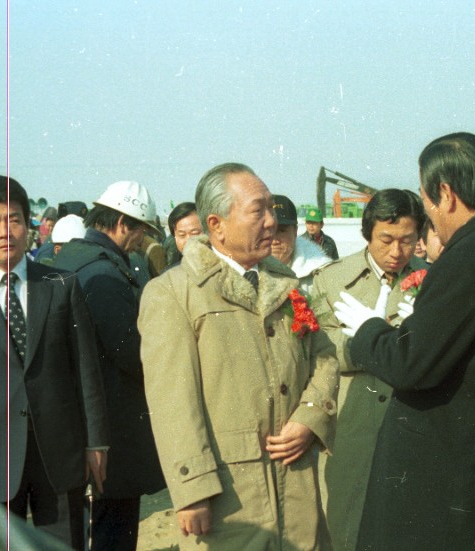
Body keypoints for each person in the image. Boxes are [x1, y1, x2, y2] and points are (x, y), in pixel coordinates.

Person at [333, 132, 475, 550]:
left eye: (427, 202)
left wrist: (370, 329)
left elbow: (410, 364)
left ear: (446, 193)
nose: (429, 217)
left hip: (434, 489)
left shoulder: (463, 260)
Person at [138, 162, 339, 550]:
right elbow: (172, 401)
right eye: (257, 210)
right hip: (231, 496)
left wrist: (311, 416)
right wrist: (192, 490)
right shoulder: (174, 292)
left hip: (297, 486)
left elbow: (324, 356)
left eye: (272, 210)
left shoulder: (285, 282)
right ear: (217, 225)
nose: (271, 221)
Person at [0, 175, 109, 550]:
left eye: (15, 219)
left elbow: (86, 369)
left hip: (60, 453)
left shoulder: (60, 284)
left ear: (29, 225)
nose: (6, 231)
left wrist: (97, 443)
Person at [310, 188, 428, 551]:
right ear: (367, 234)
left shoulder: (433, 279)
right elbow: (323, 352)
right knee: (347, 519)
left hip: (412, 418)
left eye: (408, 241)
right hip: (353, 419)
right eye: (386, 240)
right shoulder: (331, 279)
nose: (397, 252)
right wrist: (382, 344)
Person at [54, 181, 165, 551]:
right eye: (140, 232)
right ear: (121, 223)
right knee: (114, 530)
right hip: (113, 427)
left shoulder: (71, 257)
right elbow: (131, 353)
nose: (140, 241)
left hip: (83, 421)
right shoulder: (103, 275)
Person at [271, 195, 332, 292]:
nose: (274, 241)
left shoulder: (321, 274)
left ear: (295, 231)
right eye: (268, 230)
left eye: (282, 231)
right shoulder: (246, 271)